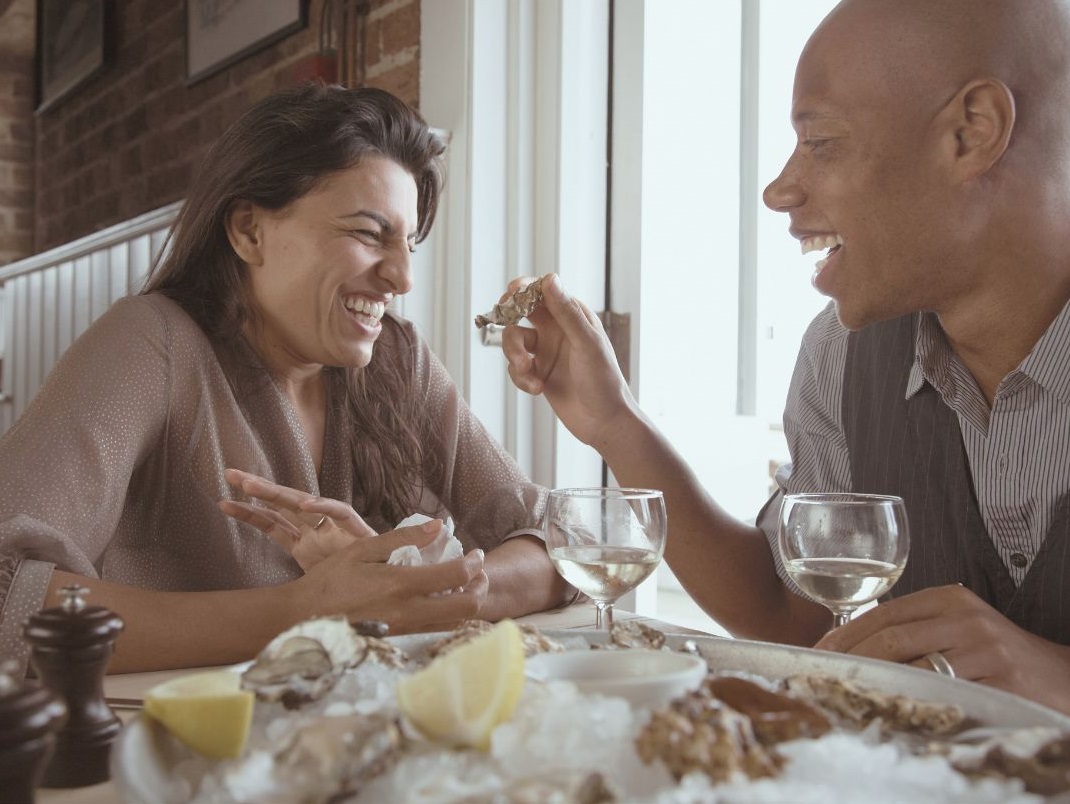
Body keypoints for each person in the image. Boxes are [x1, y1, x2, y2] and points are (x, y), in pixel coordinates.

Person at [500, 0, 1070, 715]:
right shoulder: (841, 355)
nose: (779, 190)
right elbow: (788, 611)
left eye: (822, 142)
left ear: (971, 131)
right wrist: (614, 421)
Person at [0, 83, 568, 675]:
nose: (402, 278)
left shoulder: (400, 360)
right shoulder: (151, 344)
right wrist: (305, 610)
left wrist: (418, 589)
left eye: (409, 244)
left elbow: (557, 546)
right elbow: (5, 597)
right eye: (369, 234)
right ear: (249, 230)